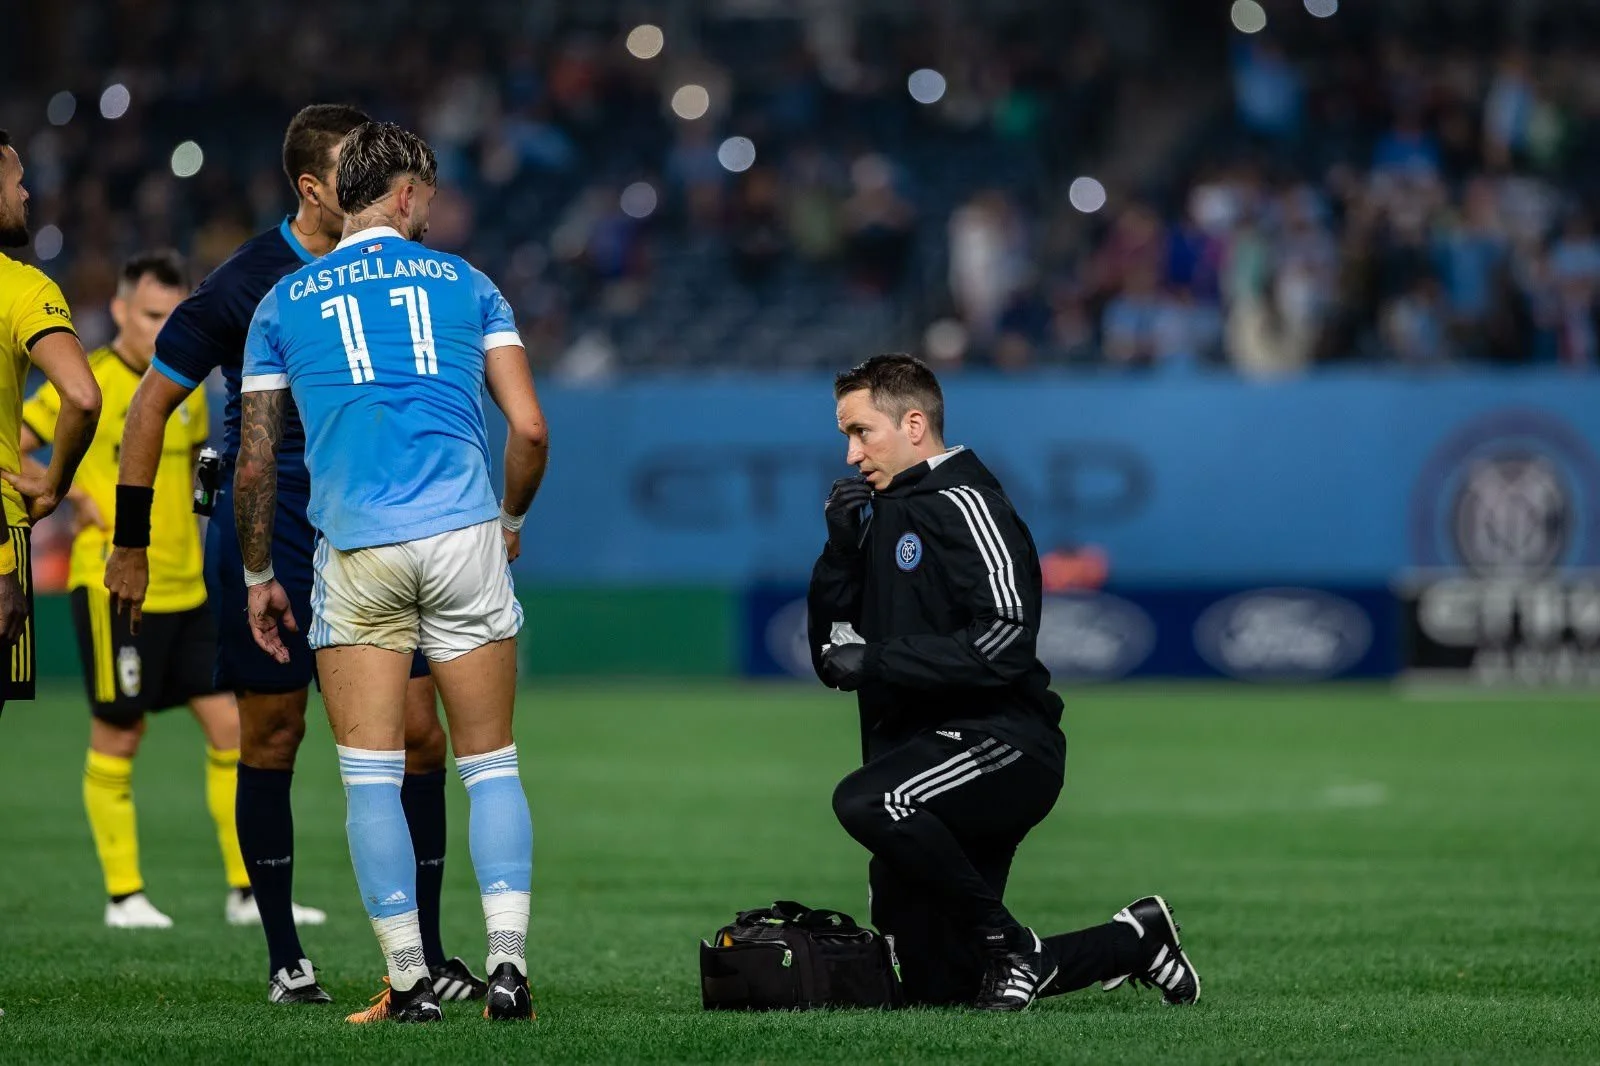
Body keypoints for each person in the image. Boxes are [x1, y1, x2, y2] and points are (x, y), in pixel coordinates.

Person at [101, 105, 484, 1004]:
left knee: (420, 738)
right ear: (313, 188)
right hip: (275, 527)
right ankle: (285, 959)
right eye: (353, 168)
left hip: (384, 527)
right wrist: (128, 541)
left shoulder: (412, 274)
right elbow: (150, 407)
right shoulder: (247, 283)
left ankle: (424, 960)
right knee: (273, 733)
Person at [234, 121, 547, 1024]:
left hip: (358, 548)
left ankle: (409, 984)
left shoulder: (283, 303)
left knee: (368, 776)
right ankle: (507, 969)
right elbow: (529, 430)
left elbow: (255, 463)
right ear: (407, 195)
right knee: (491, 765)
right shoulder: (472, 286)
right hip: (463, 536)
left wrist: (260, 571)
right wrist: (510, 518)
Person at [809, 354, 1201, 1011]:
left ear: (913, 424)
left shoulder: (968, 502)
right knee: (943, 991)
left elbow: (1005, 643)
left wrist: (877, 661)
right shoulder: (880, 515)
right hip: (923, 755)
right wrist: (839, 554)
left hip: (1002, 745)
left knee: (871, 803)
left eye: (860, 431)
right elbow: (832, 654)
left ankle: (1009, 942)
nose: (850, 454)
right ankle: (1134, 941)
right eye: (845, 436)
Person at [19, 250, 251, 928]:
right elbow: (20, 443)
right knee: (121, 734)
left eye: (173, 316)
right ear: (119, 310)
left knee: (232, 731)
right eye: (150, 314)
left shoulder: (188, 388)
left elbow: (203, 476)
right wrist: (68, 494)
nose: (161, 328)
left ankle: (245, 889)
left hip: (189, 588)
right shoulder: (85, 380)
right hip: (115, 588)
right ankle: (124, 896)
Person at [0, 128, 101, 718]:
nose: (28, 194)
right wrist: (55, 482)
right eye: (15, 182)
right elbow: (83, 397)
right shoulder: (21, 287)